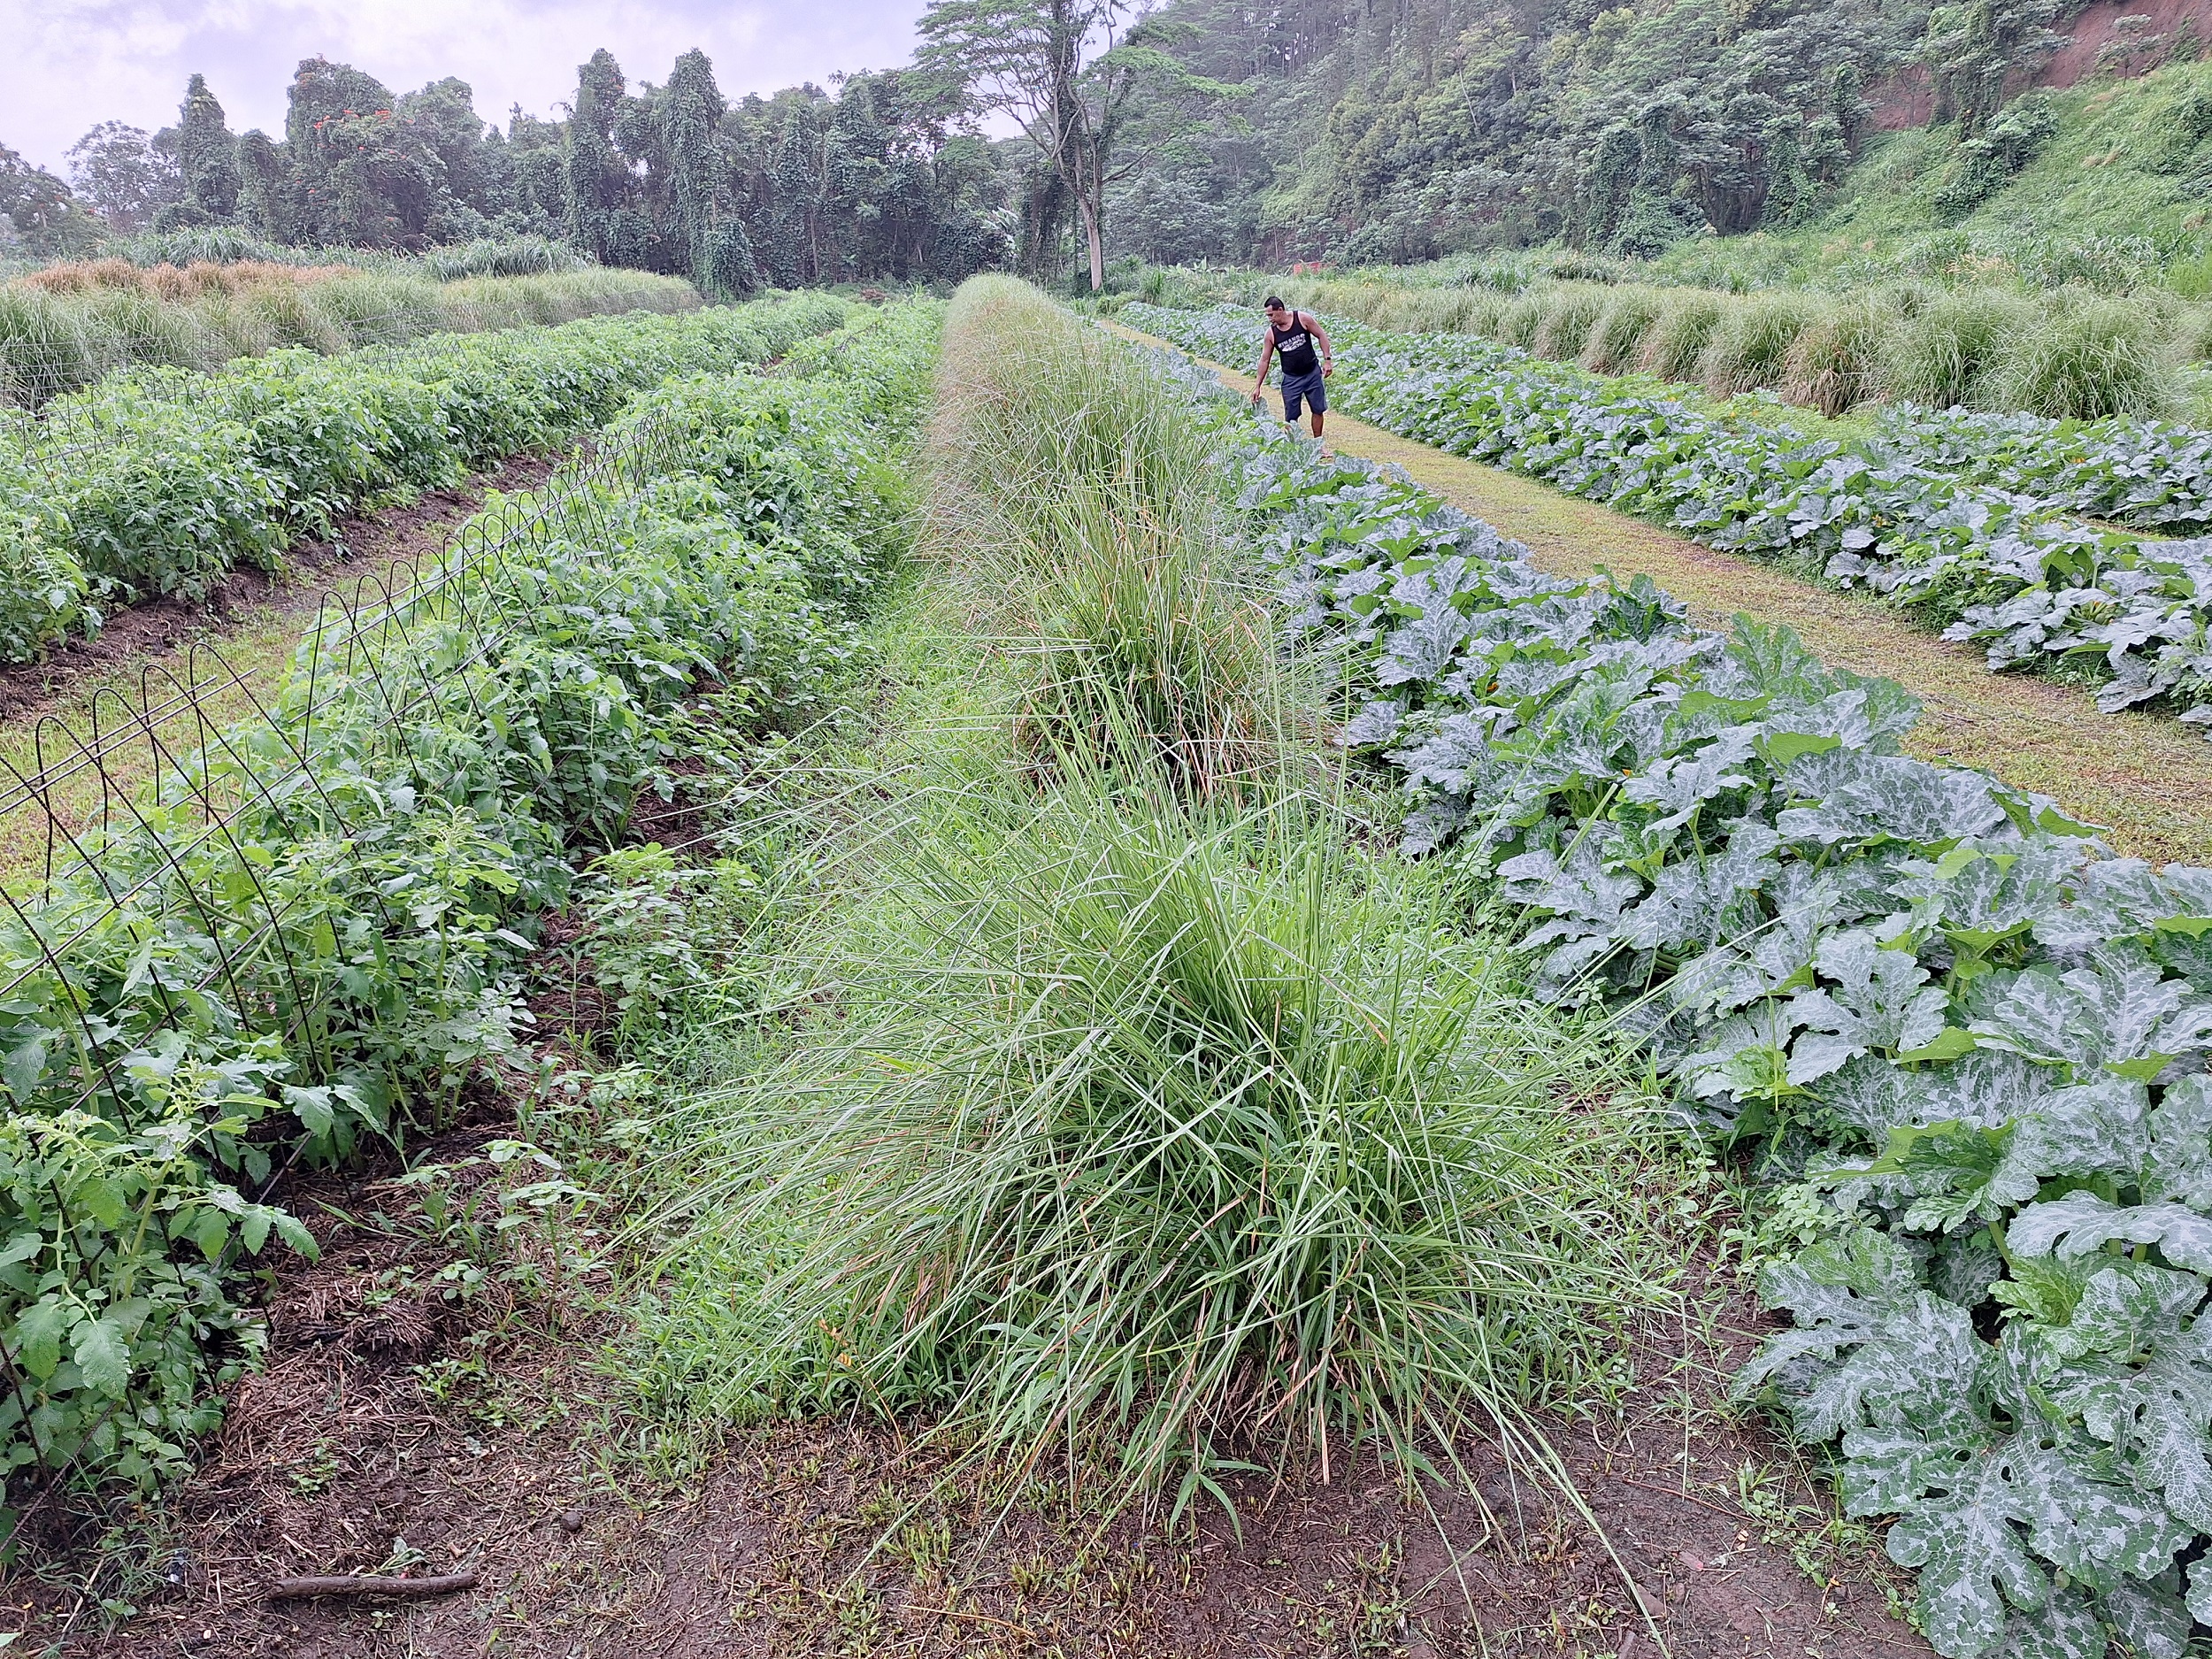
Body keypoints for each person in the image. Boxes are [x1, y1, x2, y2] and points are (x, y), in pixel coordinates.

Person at [1250, 296, 1333, 442]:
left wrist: (1327, 360)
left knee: (1318, 409)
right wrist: (1257, 386)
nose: (1270, 319)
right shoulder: (1271, 334)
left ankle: (1318, 443)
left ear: (1280, 310)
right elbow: (1264, 360)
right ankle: (1291, 445)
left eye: (1271, 315)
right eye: (1268, 316)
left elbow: (1321, 335)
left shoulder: (1302, 319)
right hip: (1291, 379)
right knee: (1291, 416)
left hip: (1312, 373)